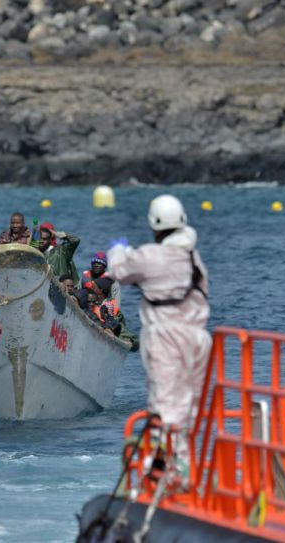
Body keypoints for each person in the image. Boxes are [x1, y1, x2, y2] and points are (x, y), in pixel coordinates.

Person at [107, 194, 210, 479]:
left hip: (166, 335)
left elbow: (118, 271)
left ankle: (167, 468)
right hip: (199, 338)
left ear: (154, 224)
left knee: (164, 401)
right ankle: (187, 464)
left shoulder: (151, 255)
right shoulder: (193, 257)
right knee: (190, 402)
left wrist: (118, 249)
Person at [90, 277, 139, 352]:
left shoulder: (111, 307)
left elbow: (117, 325)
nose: (91, 290)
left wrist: (108, 329)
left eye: (94, 288)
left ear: (100, 291)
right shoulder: (91, 301)